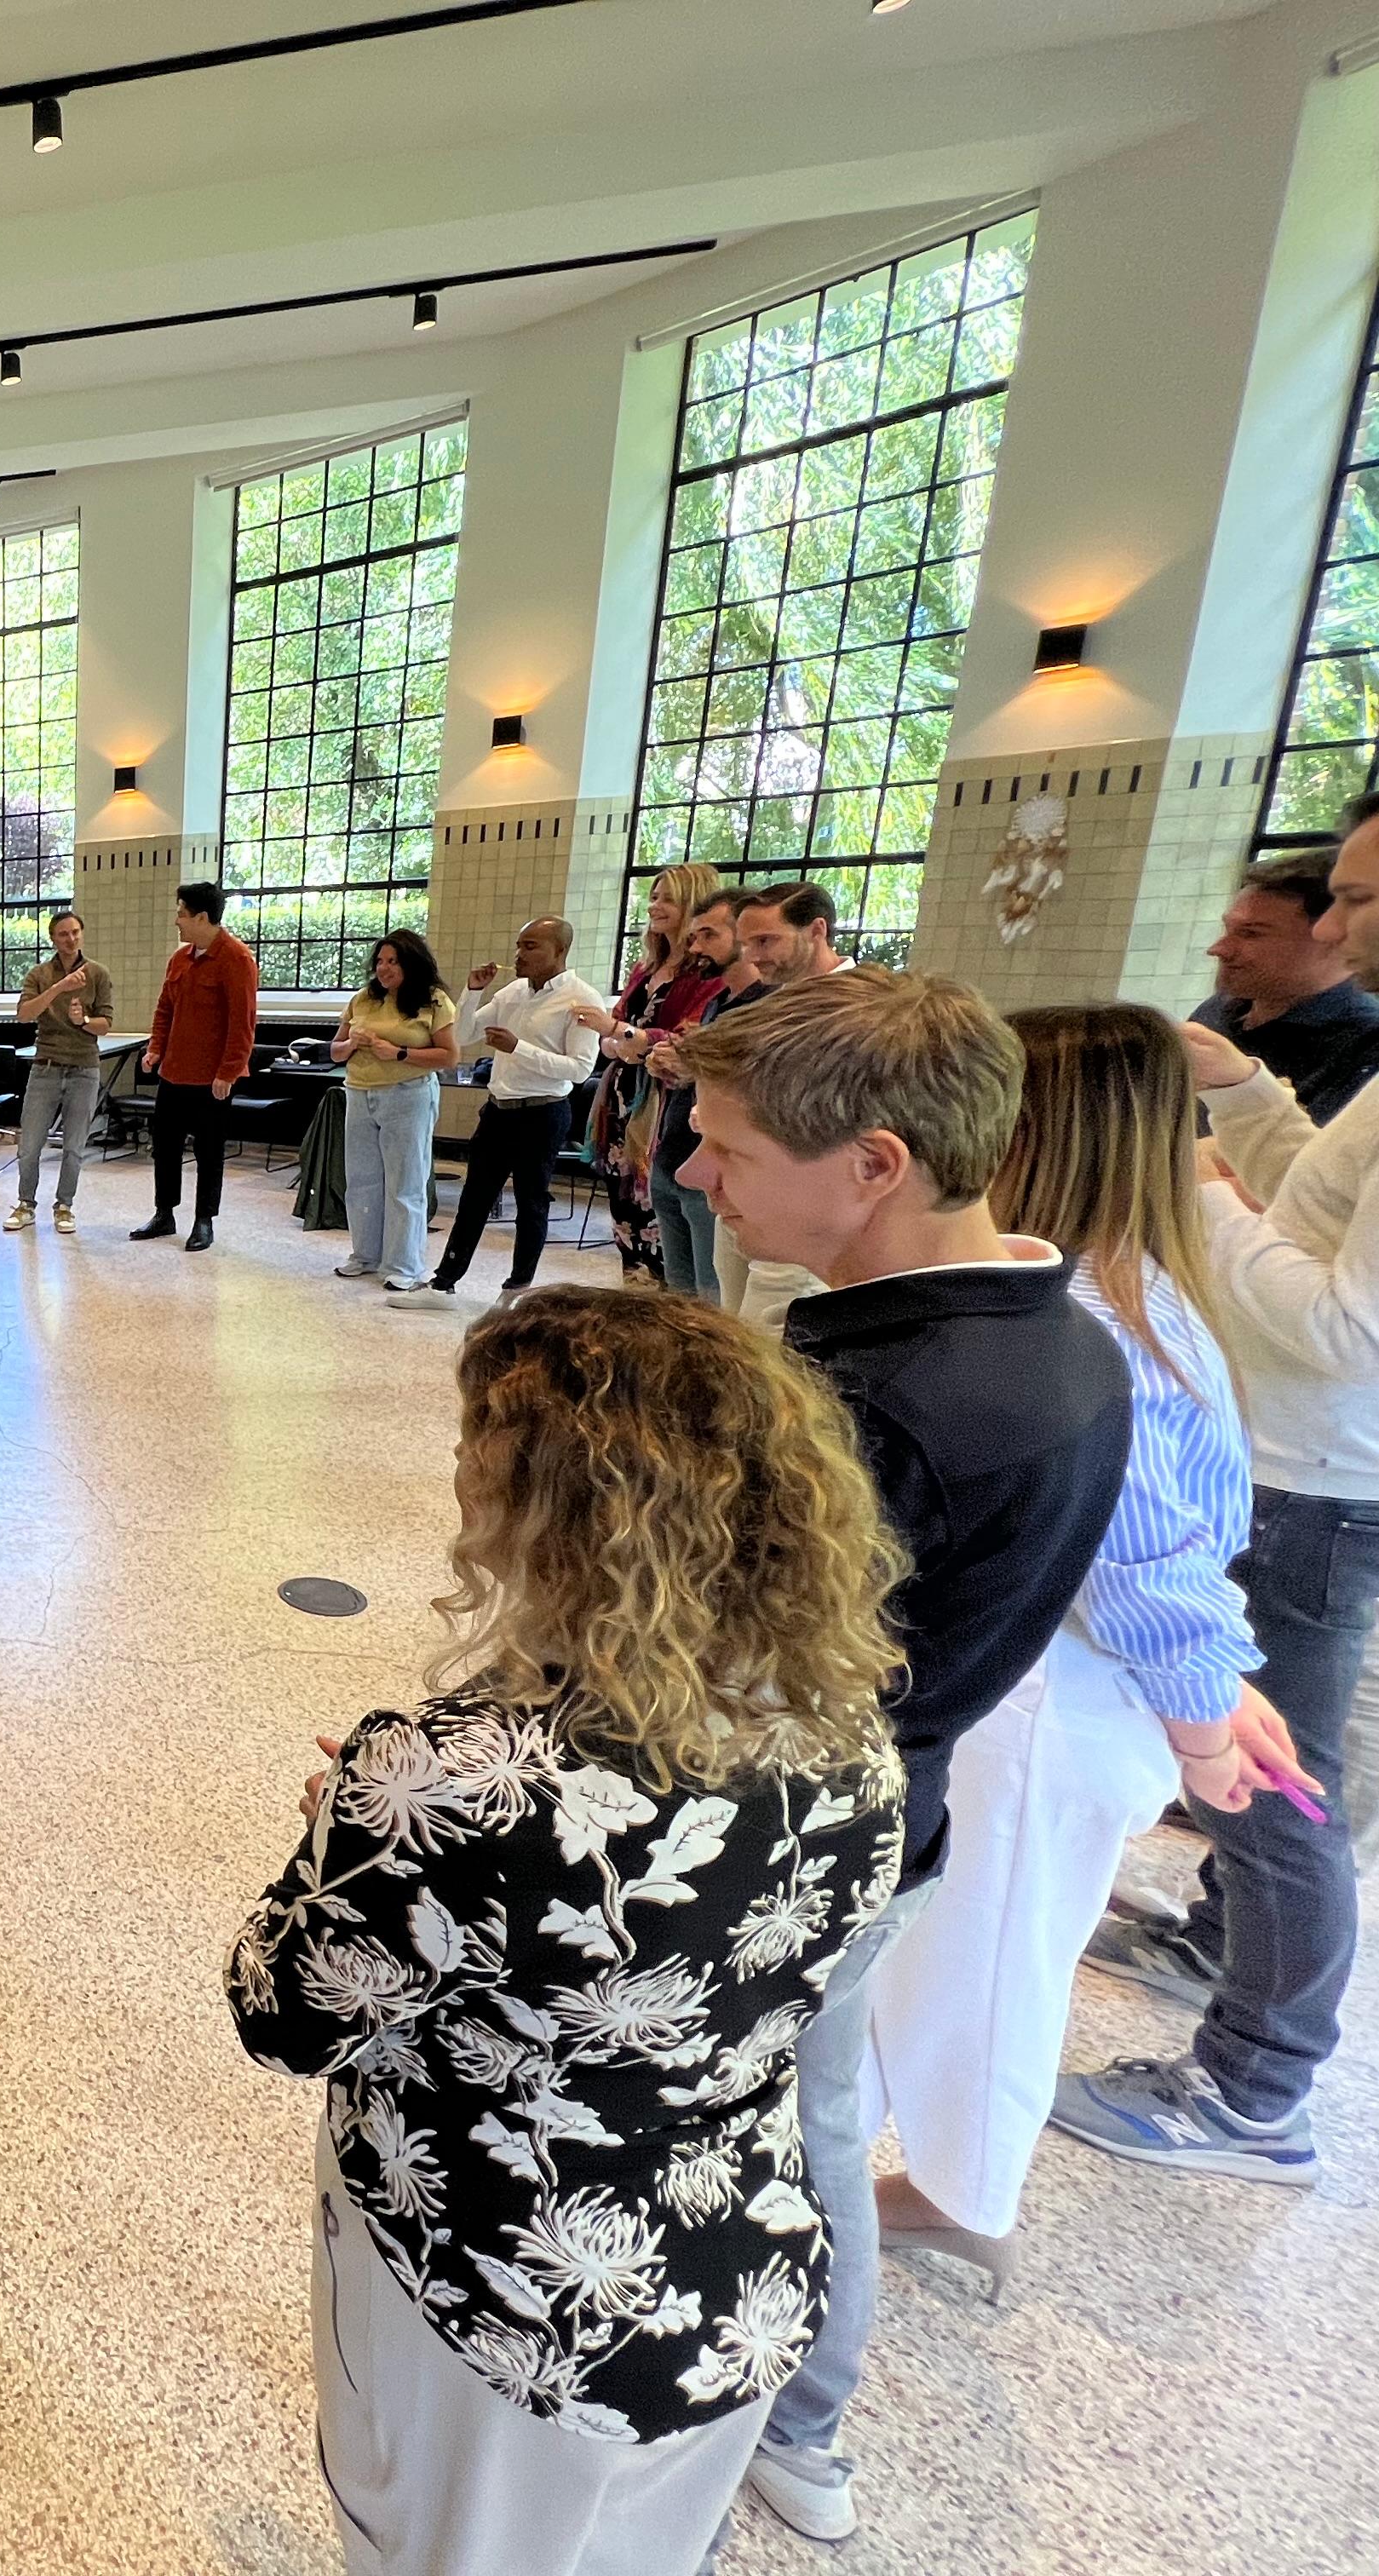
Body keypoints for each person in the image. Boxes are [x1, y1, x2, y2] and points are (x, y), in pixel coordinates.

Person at [231, 1287, 907, 2576]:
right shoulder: (851, 1736)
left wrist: (346, 1844)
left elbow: (281, 2013)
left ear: (555, 1512)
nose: (458, 1475)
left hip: (495, 2289)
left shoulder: (456, 1776)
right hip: (738, 2273)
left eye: (475, 1448)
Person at [673, 968, 1133, 2546]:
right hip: (889, 1807)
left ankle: (781, 2423)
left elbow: (720, 1666)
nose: (693, 1171)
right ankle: (786, 2409)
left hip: (793, 1838)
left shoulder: (885, 1408)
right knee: (801, 2108)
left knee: (776, 2128)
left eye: (727, 1146)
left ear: (874, 1163)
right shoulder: (1055, 1331)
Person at [862, 1005, 1307, 2300]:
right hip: (1069, 1678)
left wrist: (1207, 1726)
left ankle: (964, 2194)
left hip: (1061, 1692)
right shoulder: (1121, 1293)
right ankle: (891, 2148)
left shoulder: (1098, 1324)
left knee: (994, 1957)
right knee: (941, 1946)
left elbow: (1147, 1562)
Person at [1060, 792, 1379, 2186]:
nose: (1346, 925)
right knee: (1251, 1769)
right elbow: (1323, 1200)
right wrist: (1246, 1098)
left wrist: (1182, 1189)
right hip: (1294, 1458)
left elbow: (1347, 1325)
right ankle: (1212, 1941)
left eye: (1359, 900)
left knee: (1277, 1784)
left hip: (1329, 1476)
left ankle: (1256, 2087)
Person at [389, 916, 601, 1313]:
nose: (519, 954)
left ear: (560, 950)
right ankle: (443, 1284)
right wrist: (473, 991)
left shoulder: (581, 999)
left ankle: (517, 1290)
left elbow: (579, 1070)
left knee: (531, 1203)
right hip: (499, 1110)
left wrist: (518, 1047)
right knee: (474, 1198)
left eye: (530, 946)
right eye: (519, 945)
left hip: (543, 1112)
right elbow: (465, 1034)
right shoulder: (513, 992)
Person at [573, 865, 727, 1285]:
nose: (655, 906)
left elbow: (685, 1039)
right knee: (624, 1209)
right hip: (623, 1098)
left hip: (665, 1101)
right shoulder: (645, 968)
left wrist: (622, 1034)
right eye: (653, 897)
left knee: (658, 1212)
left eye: (667, 899)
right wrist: (619, 1038)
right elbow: (618, 1031)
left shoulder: (706, 975)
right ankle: (636, 1290)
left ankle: (666, 1302)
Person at [710, 883, 849, 1334]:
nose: (752, 957)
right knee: (733, 1328)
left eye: (766, 941)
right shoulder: (777, 1000)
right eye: (747, 943)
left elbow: (844, 1114)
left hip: (802, 1199)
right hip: (742, 1192)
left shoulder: (861, 1006)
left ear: (817, 930)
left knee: (769, 1340)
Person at [1190, 851, 1379, 1121]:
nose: (1219, 949)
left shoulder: (1367, 1051)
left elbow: (1309, 1148)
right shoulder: (1222, 1008)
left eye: (1251, 933)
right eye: (1228, 929)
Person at [641, 892, 756, 1301]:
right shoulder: (718, 1003)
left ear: (743, 936)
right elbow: (702, 1082)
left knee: (714, 1295)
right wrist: (672, 1067)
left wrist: (695, 1067)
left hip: (712, 1169)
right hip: (674, 1155)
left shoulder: (766, 1007)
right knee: (680, 1294)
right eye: (693, 937)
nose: (695, 949)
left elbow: (754, 1089)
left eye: (708, 935)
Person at [134, 883, 261, 1250]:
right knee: (165, 1147)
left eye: (181, 914)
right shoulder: (180, 959)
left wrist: (228, 1072)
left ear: (202, 917)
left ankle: (204, 1220)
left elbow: (243, 1024)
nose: (177, 921)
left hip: (212, 1078)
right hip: (174, 1072)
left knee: (209, 1152)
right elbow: (165, 1010)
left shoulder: (237, 959)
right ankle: (164, 1213)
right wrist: (155, 1049)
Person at [329, 928, 457, 1290]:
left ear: (411, 964)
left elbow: (449, 1057)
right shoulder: (363, 999)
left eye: (393, 961)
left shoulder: (434, 1001)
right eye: (380, 961)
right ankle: (365, 1254)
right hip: (360, 1093)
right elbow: (334, 1051)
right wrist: (351, 1044)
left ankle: (404, 1265)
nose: (384, 969)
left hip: (408, 1094)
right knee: (362, 1180)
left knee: (405, 1182)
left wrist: (398, 1053)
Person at [9, 908, 118, 1233]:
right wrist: (60, 987)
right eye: (63, 934)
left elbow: (106, 1024)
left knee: (73, 1146)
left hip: (84, 1068)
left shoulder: (97, 973)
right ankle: (26, 1204)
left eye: (75, 933)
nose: (70, 939)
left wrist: (82, 1020)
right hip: (46, 1067)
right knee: (30, 1145)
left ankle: (64, 1206)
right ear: (53, 939)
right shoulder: (40, 974)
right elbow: (24, 1014)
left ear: (81, 934)